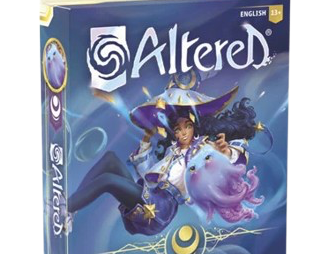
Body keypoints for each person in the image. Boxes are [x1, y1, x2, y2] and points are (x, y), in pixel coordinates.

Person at [67, 90, 261, 236]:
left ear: (195, 127)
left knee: (108, 180)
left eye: (187, 127)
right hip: (149, 194)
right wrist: (146, 141)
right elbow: (147, 176)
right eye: (177, 129)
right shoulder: (171, 151)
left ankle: (66, 207)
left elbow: (234, 161)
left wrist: (227, 152)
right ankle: (71, 210)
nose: (182, 133)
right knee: (110, 160)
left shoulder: (204, 149)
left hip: (161, 207)